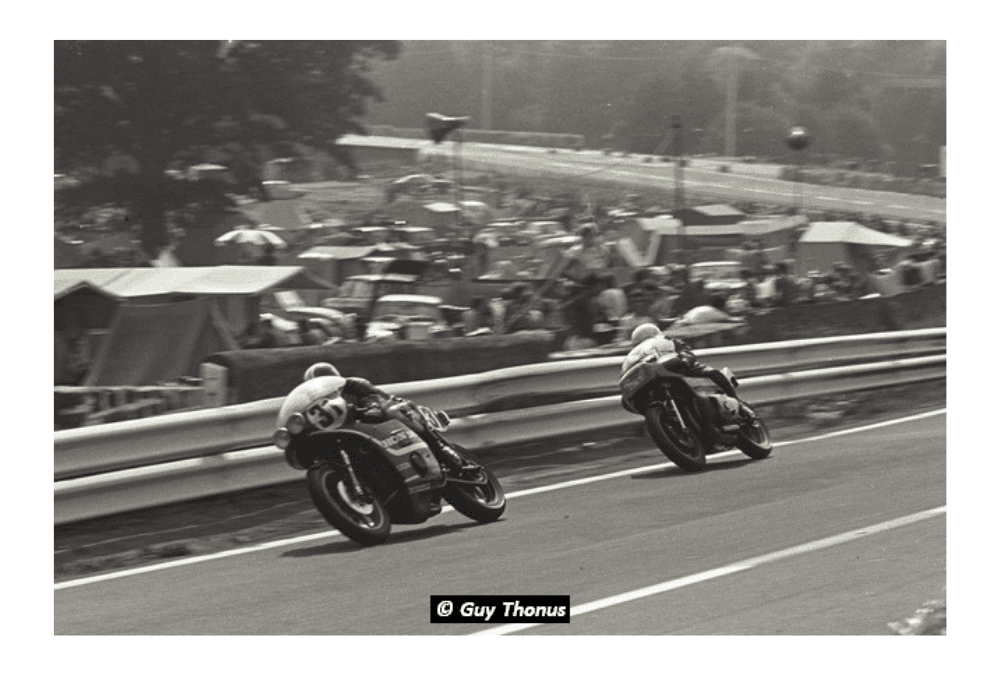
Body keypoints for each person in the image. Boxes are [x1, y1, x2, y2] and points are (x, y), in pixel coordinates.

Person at [301, 362, 476, 476]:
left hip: (385, 418)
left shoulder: (354, 385)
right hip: (361, 437)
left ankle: (441, 448)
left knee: (393, 410)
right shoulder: (318, 408)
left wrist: (368, 409)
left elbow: (376, 400)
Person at [622, 323, 753, 419]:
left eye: (647, 337)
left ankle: (738, 404)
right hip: (659, 377)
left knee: (713, 373)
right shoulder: (638, 355)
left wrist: (684, 358)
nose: (645, 341)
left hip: (681, 369)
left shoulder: (669, 342)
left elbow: (685, 350)